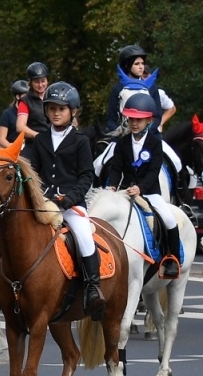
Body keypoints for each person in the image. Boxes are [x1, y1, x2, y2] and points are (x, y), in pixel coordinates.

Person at [24, 81, 103, 316]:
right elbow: (33, 172)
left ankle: (92, 287)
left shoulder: (81, 141)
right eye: (51, 108)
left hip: (71, 204)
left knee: (84, 236)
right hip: (44, 205)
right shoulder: (39, 140)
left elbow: (86, 175)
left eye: (61, 108)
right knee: (2, 233)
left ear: (73, 111)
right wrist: (39, 196)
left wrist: (70, 198)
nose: (56, 113)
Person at [93, 91, 185, 278]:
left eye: (139, 120)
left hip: (150, 192)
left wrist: (141, 188)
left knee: (168, 219)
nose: (134, 123)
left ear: (149, 121)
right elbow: (116, 168)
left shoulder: (155, 143)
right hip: (125, 191)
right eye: (131, 119)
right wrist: (111, 186)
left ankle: (171, 258)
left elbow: (153, 171)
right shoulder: (122, 143)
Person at [101, 44, 177, 134]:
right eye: (137, 64)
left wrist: (145, 132)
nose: (141, 67)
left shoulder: (153, 87)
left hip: (149, 135)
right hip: (123, 135)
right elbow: (110, 120)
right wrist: (121, 132)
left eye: (142, 63)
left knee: (164, 148)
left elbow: (157, 117)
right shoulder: (117, 89)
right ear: (127, 66)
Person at [15, 62, 50, 141]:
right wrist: (38, 136)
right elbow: (20, 127)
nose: (40, 85)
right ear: (31, 82)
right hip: (35, 143)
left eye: (43, 81)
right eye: (36, 82)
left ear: (47, 81)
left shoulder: (53, 97)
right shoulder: (25, 101)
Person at [0, 80, 29, 144]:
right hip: (13, 148)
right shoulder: (7, 114)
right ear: (17, 97)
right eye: (26, 96)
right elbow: (1, 139)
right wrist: (12, 148)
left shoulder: (33, 113)